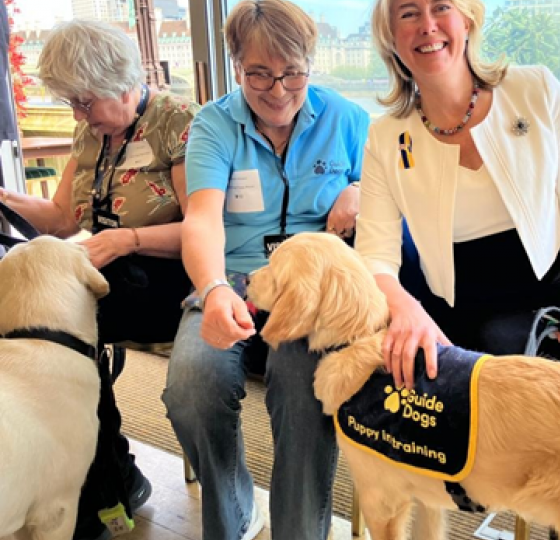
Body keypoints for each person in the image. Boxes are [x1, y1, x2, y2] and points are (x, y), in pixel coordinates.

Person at [160, 1, 369, 539]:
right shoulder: (213, 124)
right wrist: (210, 291)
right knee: (191, 387)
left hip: (310, 297)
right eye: (259, 74)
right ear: (236, 67)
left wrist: (360, 189)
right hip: (232, 283)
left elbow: (392, 205)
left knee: (304, 390)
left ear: (310, 65)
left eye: (292, 74)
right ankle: (234, 512)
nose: (278, 91)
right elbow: (202, 220)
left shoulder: (347, 120)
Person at [356, 0, 560, 394]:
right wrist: (406, 309)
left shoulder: (535, 89)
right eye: (408, 13)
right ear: (391, 40)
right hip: (455, 306)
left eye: (441, 8)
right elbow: (374, 255)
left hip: (550, 292)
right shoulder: (386, 137)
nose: (427, 25)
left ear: (467, 20)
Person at [0, 19, 199, 540]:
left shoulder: (177, 121)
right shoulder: (92, 132)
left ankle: (97, 477)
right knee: (30, 323)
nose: (78, 116)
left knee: (53, 334)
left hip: (170, 277)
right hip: (105, 272)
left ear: (118, 79)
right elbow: (64, 218)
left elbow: (206, 227)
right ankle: (96, 473)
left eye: (84, 102)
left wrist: (128, 239)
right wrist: (3, 197)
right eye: (72, 104)